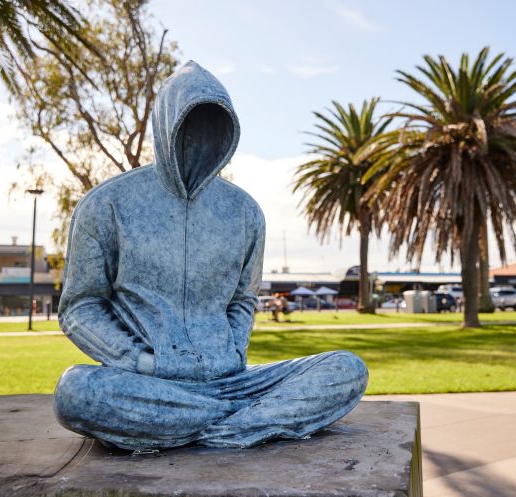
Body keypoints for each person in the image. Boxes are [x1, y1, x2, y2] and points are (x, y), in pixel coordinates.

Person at [53, 61, 367, 451]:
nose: (197, 139)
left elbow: (242, 299)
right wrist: (138, 361)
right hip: (149, 380)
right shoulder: (107, 205)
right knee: (77, 391)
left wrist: (235, 351)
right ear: (165, 124)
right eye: (188, 125)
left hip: (234, 378)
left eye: (211, 125)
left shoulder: (245, 212)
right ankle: (249, 420)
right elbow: (80, 306)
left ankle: (189, 422)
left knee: (346, 369)